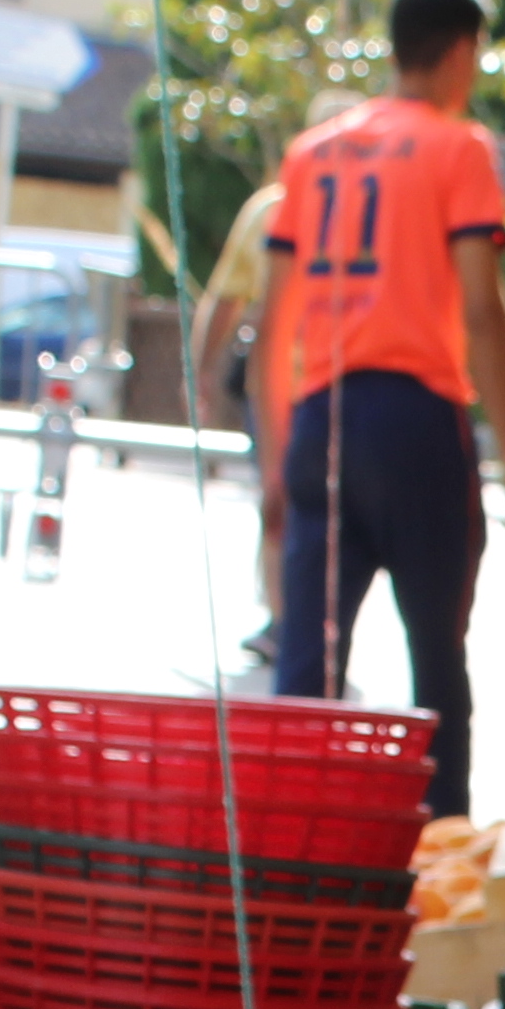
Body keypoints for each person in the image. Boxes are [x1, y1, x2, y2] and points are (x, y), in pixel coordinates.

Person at [261, 0, 505, 814]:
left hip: (325, 417)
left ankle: (288, 844)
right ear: (461, 51)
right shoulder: (460, 149)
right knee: (437, 661)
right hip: (417, 423)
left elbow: (275, 324)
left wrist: (277, 464)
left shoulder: (314, 153)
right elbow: (483, 311)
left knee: (307, 663)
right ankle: (443, 843)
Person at [183, 180, 285, 669]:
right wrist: (201, 370)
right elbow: (226, 296)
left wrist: (201, 370)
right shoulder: (274, 208)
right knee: (277, 497)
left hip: (341, 383)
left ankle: (296, 619)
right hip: (277, 381)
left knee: (289, 503)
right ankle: (283, 619)